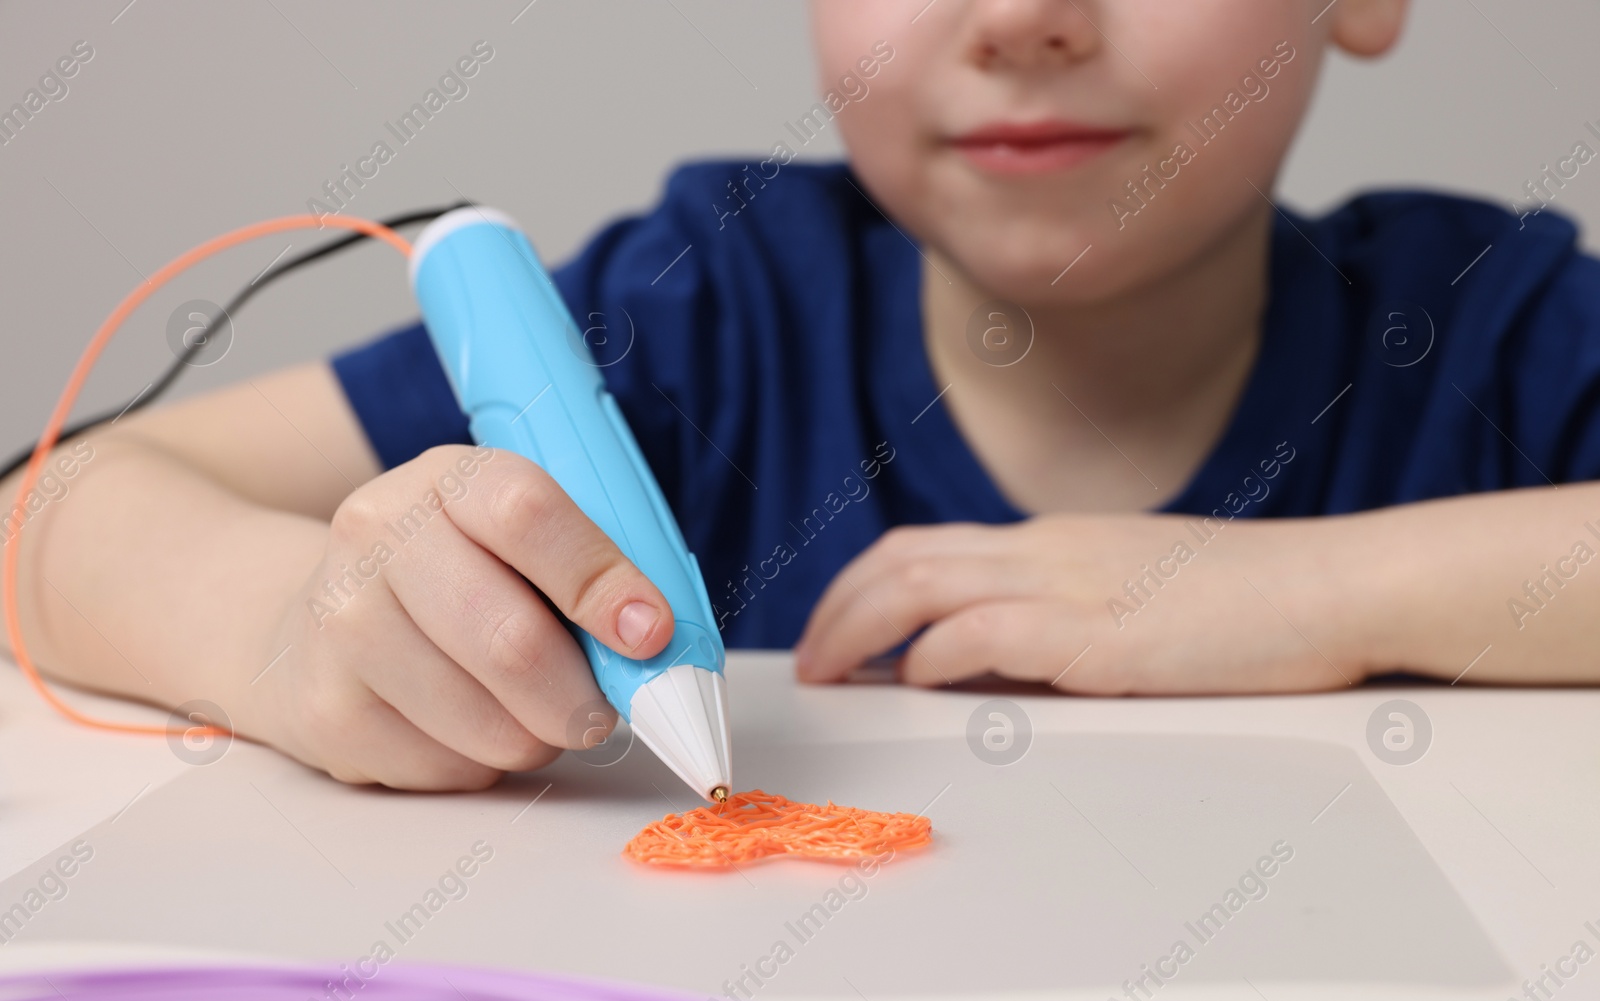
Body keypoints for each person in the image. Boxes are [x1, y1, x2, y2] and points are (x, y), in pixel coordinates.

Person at [6, 0, 1599, 790]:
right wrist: (291, 629)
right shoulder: (704, 312)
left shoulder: (1489, 328)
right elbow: (47, 510)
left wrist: (1335, 595)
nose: (1021, 19)